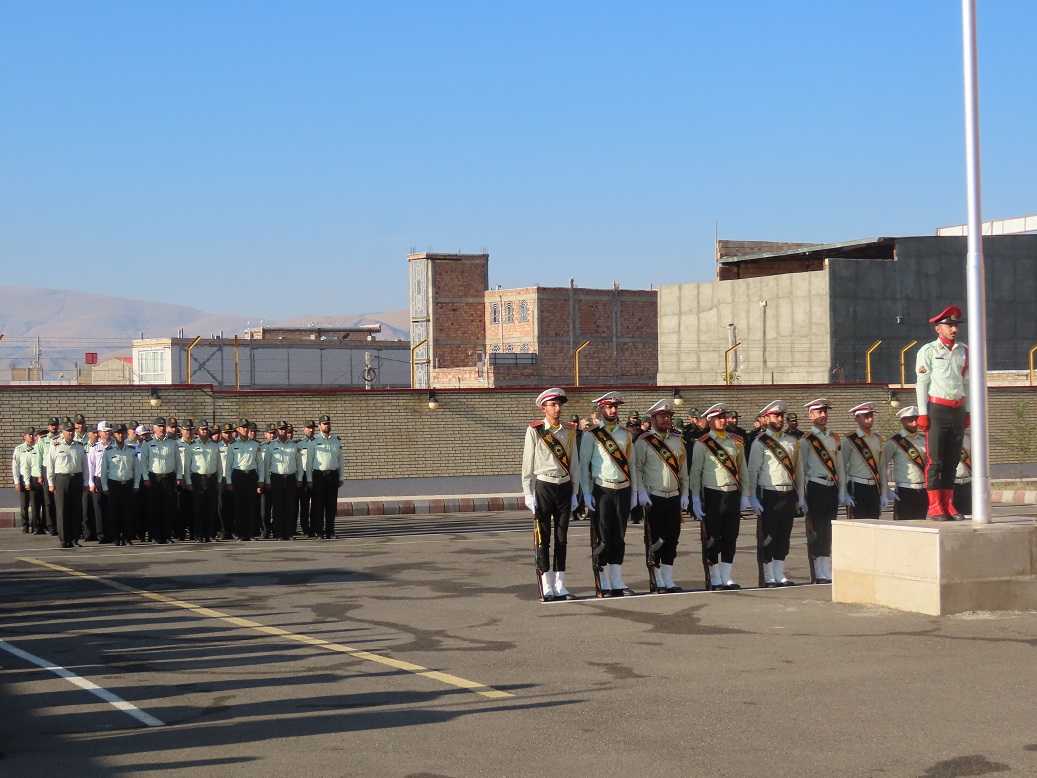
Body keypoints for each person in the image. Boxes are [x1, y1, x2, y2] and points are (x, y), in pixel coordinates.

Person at [522, 388, 581, 601]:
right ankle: (546, 584)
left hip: (564, 486)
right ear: (544, 408)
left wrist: (574, 491)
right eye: (553, 405)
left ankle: (560, 584)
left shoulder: (569, 431)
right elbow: (527, 464)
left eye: (559, 404)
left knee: (562, 538)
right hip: (544, 486)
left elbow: (574, 463)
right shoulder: (535, 431)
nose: (557, 408)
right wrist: (528, 492)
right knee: (544, 537)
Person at [579, 391, 638, 597]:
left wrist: (635, 492)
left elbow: (632, 465)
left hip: (623, 489)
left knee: (619, 535)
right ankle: (603, 579)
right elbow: (584, 465)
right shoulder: (591, 434)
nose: (613, 410)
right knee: (603, 535)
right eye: (609, 407)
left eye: (615, 407)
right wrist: (586, 494)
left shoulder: (625, 434)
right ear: (601, 409)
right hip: (602, 489)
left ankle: (617, 579)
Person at [916, 305, 969, 521]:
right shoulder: (928, 351)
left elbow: (967, 382)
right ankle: (935, 505)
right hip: (938, 409)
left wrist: (968, 411)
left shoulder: (964, 350)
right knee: (935, 459)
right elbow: (922, 383)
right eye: (949, 325)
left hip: (958, 409)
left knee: (953, 459)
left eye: (955, 325)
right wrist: (922, 413)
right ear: (938, 328)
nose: (954, 329)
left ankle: (948, 503)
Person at [689, 403, 750, 590]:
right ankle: (714, 576)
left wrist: (746, 495)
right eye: (718, 418)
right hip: (713, 493)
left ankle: (726, 576)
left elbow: (742, 469)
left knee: (730, 536)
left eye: (724, 417)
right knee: (713, 537)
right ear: (710, 421)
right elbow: (696, 473)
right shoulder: (702, 443)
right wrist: (696, 499)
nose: (723, 421)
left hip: (733, 493)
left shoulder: (736, 441)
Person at [634, 400, 689, 593]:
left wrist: (685, 494)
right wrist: (641, 492)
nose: (666, 420)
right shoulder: (644, 441)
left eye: (668, 416)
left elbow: (684, 472)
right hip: (654, 497)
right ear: (653, 419)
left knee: (672, 538)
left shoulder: (678, 440)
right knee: (656, 539)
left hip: (674, 496)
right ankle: (656, 578)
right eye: (662, 417)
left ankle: (668, 578)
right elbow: (637, 469)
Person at [746, 400, 799, 587]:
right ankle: (768, 574)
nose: (780, 419)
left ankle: (779, 573)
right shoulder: (760, 442)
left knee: (784, 535)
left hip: (788, 493)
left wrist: (800, 495)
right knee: (769, 536)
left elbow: (798, 470)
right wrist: (752, 497)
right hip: (770, 494)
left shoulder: (791, 441)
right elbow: (753, 471)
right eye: (776, 415)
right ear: (766, 418)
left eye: (781, 415)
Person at [795, 399, 845, 584]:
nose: (823, 415)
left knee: (829, 530)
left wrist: (842, 491)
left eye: (825, 412)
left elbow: (840, 466)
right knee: (816, 530)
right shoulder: (806, 440)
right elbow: (801, 469)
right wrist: (801, 495)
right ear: (811, 416)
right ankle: (817, 570)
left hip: (832, 488)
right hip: (815, 487)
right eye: (819, 412)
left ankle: (826, 568)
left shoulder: (834, 438)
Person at [839, 402, 889, 520]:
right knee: (858, 524)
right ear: (857, 419)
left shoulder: (878, 439)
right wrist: (843, 492)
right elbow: (841, 467)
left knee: (874, 524)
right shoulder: (849, 439)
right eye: (866, 416)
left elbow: (882, 468)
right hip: (856, 487)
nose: (870, 419)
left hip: (874, 488)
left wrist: (884, 493)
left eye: (871, 415)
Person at [46, 420, 87, 548]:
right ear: (62, 432)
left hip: (76, 478)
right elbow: (50, 466)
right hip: (61, 479)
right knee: (62, 510)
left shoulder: (79, 446)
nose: (71, 433)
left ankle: (75, 539)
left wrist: (85, 481)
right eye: (68, 431)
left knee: (76, 509)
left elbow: (85, 466)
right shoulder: (55, 446)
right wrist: (51, 483)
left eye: (72, 431)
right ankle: (64, 539)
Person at [140, 416, 181, 544]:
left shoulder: (172, 442)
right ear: (154, 428)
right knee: (154, 508)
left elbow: (178, 461)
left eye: (163, 426)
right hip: (154, 478)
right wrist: (146, 478)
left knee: (168, 508)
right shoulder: (148, 442)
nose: (162, 429)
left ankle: (167, 536)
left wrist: (179, 476)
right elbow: (143, 462)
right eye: (159, 426)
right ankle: (156, 536)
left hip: (169, 477)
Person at [884, 406, 928, 521]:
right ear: (902, 421)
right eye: (910, 420)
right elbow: (882, 466)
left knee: (922, 526)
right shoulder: (894, 442)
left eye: (916, 420)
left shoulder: (924, 440)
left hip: (923, 490)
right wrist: (886, 489)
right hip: (904, 491)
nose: (914, 424)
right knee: (903, 526)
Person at [100, 423, 141, 546]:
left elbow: (136, 468)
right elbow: (104, 470)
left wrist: (136, 484)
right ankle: (116, 537)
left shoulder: (131, 450)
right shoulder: (108, 451)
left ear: (126, 434)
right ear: (113, 435)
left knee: (127, 513)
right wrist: (104, 486)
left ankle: (127, 538)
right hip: (114, 485)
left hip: (128, 484)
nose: (121, 435)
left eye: (122, 433)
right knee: (114, 513)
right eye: (118, 433)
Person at [182, 421, 222, 543]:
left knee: (211, 508)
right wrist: (188, 481)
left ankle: (210, 534)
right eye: (202, 429)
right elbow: (187, 466)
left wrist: (219, 479)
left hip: (212, 478)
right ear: (197, 431)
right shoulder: (191, 446)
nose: (204, 431)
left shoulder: (214, 446)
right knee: (198, 509)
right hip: (197, 479)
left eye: (206, 429)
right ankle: (199, 535)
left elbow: (219, 464)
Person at [226, 419, 264, 541]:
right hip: (238, 476)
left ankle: (251, 533)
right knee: (239, 506)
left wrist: (261, 480)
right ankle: (241, 534)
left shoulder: (255, 445)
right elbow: (228, 465)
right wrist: (229, 482)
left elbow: (260, 464)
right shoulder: (232, 445)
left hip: (251, 476)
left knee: (251, 506)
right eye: (242, 427)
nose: (245, 429)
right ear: (238, 429)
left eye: (247, 427)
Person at [307, 414, 343, 539]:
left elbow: (340, 460)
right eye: (324, 424)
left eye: (328, 423)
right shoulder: (314, 441)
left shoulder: (336, 440)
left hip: (333, 475)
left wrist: (341, 477)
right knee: (318, 505)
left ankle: (330, 531)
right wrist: (309, 479)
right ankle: (319, 531)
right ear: (319, 426)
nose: (327, 426)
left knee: (331, 505)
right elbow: (309, 461)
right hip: (319, 475)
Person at [265, 421, 301, 540]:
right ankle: (278, 533)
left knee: (290, 507)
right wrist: (267, 481)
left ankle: (289, 532)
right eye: (281, 429)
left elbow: (299, 464)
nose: (283, 431)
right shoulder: (271, 446)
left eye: (285, 429)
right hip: (277, 478)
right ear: (277, 431)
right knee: (278, 507)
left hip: (290, 478)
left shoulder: (293, 445)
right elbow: (266, 465)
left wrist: (299, 478)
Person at [86, 421, 113, 542]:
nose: (107, 433)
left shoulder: (115, 445)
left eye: (109, 431)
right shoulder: (95, 448)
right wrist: (91, 483)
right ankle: (101, 534)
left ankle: (112, 533)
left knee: (111, 507)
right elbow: (90, 467)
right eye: (105, 431)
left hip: (112, 479)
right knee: (99, 508)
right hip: (99, 480)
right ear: (99, 433)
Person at [12, 427, 40, 533]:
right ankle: (25, 525)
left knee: (35, 504)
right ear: (25, 436)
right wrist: (17, 482)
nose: (31, 437)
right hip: (23, 478)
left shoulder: (37, 448)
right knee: (24, 504)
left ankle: (35, 525)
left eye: (33, 435)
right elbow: (15, 466)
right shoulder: (19, 449)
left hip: (34, 478)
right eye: (29, 435)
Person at [297, 420, 317, 537]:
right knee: (304, 505)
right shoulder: (299, 444)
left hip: (316, 475)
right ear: (303, 429)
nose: (311, 430)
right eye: (309, 428)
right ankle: (306, 529)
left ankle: (315, 528)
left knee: (317, 504)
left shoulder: (318, 442)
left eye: (313, 428)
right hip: (304, 476)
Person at [954, 431, 973, 517]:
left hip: (967, 482)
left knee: (967, 515)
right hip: (952, 483)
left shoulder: (969, 438)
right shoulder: (945, 437)